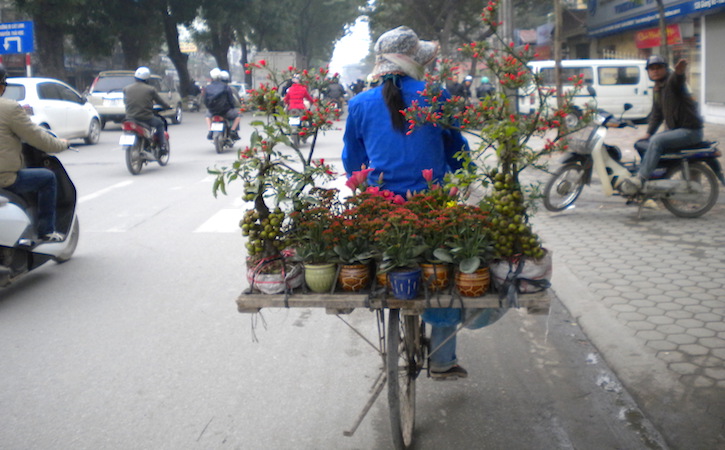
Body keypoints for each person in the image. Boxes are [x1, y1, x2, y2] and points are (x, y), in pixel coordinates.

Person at [343, 26, 475, 379]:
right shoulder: (436, 96)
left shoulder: (358, 104)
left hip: (378, 209)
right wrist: (465, 178)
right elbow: (457, 149)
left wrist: (365, 191)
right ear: (415, 62)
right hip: (431, 206)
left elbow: (353, 163)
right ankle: (443, 360)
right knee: (443, 276)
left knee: (382, 265)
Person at [0, 64, 70, 242]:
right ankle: (46, 231)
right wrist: (60, 145)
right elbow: (37, 137)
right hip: (4, 178)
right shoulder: (9, 108)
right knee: (47, 178)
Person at [622, 55, 703, 193]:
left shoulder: (671, 82)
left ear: (665, 69)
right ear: (648, 72)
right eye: (652, 69)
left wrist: (679, 72)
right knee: (643, 143)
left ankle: (641, 179)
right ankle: (653, 178)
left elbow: (677, 80)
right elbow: (656, 114)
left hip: (690, 131)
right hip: (677, 131)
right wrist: (648, 133)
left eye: (659, 67)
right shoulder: (658, 89)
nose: (655, 71)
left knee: (657, 141)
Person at [123, 66, 171, 154]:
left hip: (129, 117)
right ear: (147, 79)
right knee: (160, 124)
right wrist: (168, 107)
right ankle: (163, 145)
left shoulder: (126, 88)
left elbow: (125, 101)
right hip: (145, 117)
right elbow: (160, 101)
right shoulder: (151, 89)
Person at [202, 68, 241, 140]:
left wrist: (209, 108)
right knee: (238, 115)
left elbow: (205, 100)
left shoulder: (207, 88)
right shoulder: (226, 87)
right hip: (225, 111)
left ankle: (210, 130)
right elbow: (231, 100)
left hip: (212, 111)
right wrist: (232, 107)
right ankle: (232, 131)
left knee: (207, 116)